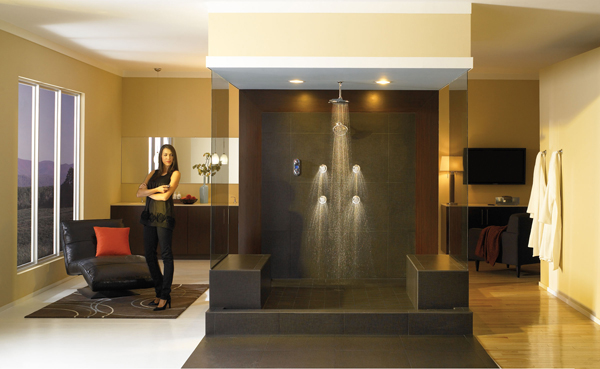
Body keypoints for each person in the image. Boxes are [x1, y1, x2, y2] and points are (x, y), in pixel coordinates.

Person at [136, 144, 181, 311]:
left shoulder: (175, 174)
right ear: (160, 157)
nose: (168, 157)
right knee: (149, 255)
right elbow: (139, 193)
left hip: (164, 217)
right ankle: (159, 292)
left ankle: (164, 295)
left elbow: (166, 197)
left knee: (166, 255)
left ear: (174, 157)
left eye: (170, 155)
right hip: (149, 217)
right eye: (165, 154)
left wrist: (148, 192)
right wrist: (155, 189)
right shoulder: (153, 173)